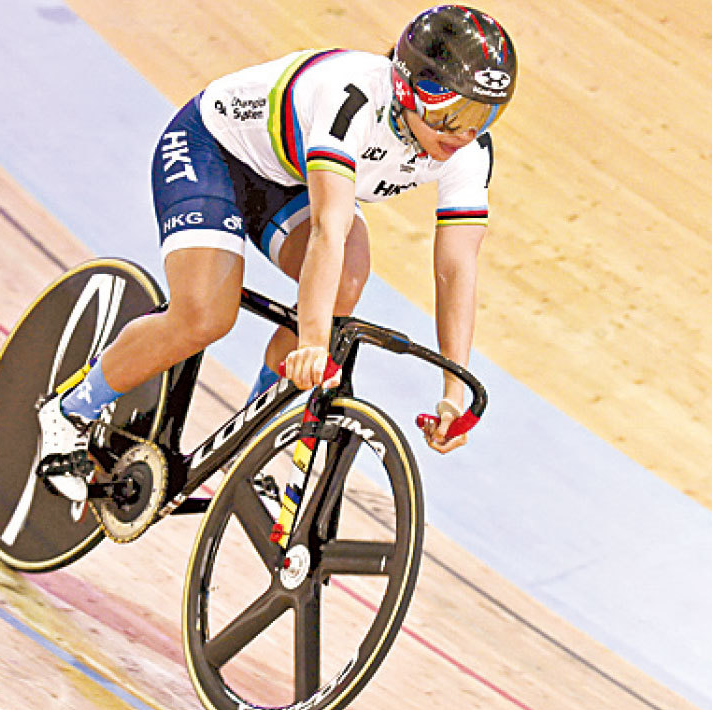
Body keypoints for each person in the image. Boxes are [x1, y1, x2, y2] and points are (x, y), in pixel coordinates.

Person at [37, 5, 517, 502]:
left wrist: (452, 394)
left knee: (347, 282)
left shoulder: (468, 150)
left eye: (483, 116)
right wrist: (310, 342)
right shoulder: (351, 100)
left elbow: (456, 270)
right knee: (205, 315)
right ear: (406, 87)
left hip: (288, 179)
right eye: (452, 114)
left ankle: (250, 440)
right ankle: (70, 409)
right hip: (212, 151)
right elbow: (328, 231)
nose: (462, 134)